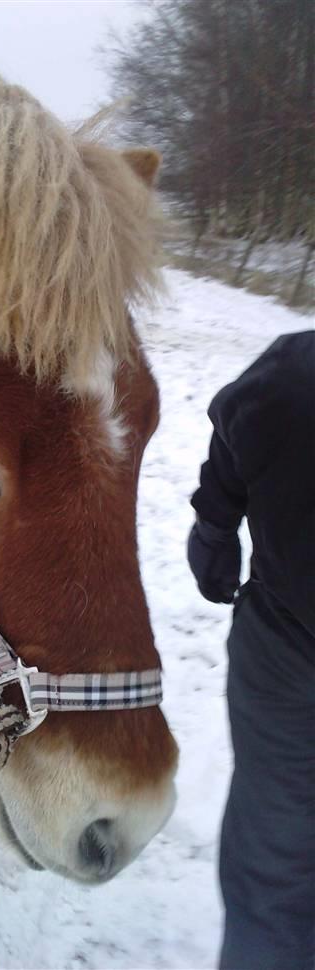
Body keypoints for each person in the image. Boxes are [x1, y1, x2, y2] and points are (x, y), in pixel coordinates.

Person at [187, 330, 315, 970]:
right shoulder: (295, 373)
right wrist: (214, 521)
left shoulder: (296, 370)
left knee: (272, 874)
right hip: (288, 653)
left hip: (285, 647)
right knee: (273, 865)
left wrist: (214, 525)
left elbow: (239, 422)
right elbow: (240, 421)